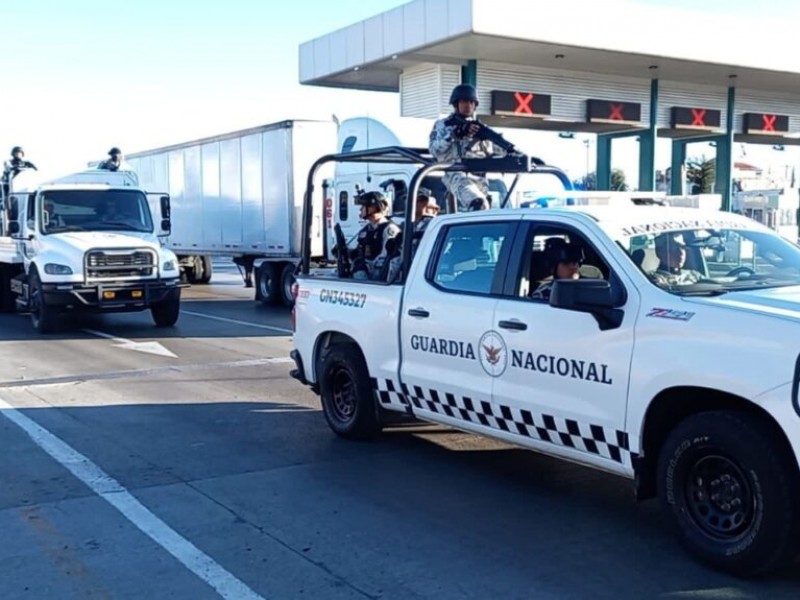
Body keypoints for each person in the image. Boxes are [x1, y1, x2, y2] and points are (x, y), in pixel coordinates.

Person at [429, 83, 504, 212]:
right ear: (456, 104)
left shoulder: (481, 128)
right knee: (478, 204)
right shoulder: (444, 125)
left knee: (487, 211)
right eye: (464, 101)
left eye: (471, 102)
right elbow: (434, 149)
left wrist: (519, 154)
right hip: (457, 174)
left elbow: (500, 147)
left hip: (480, 178)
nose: (468, 105)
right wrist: (454, 135)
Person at [349, 190, 401, 280]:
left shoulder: (389, 229)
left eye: (363, 206)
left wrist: (365, 265)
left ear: (373, 207)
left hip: (377, 279)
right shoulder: (367, 229)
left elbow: (388, 260)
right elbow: (359, 251)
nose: (360, 209)